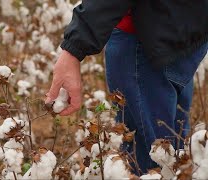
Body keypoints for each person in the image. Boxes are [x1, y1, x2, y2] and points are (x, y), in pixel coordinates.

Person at [45, 0, 208, 172]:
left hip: (143, 43)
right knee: (172, 156)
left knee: (149, 163)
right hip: (185, 31)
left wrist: (74, 48)